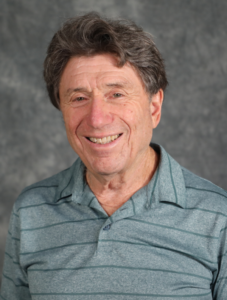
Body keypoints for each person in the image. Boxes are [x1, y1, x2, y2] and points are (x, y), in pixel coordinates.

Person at [1, 12, 227, 300]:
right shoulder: (31, 210)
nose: (96, 119)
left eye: (116, 94)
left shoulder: (218, 216)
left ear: (154, 107)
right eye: (79, 98)